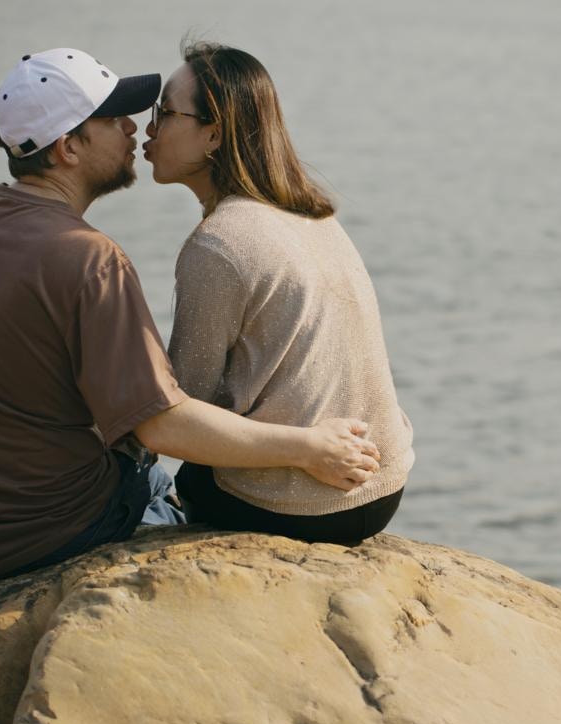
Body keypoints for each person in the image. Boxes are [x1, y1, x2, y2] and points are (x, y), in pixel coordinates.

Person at [0, 48, 380, 587]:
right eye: (112, 118)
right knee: (149, 475)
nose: (133, 128)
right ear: (68, 147)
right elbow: (162, 424)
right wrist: (309, 447)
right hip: (32, 536)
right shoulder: (89, 258)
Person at [142, 42, 414, 546]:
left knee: (148, 483)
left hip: (296, 506)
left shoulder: (218, 245)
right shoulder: (313, 215)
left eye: (165, 111)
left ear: (214, 133)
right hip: (382, 487)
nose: (149, 128)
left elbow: (187, 407)